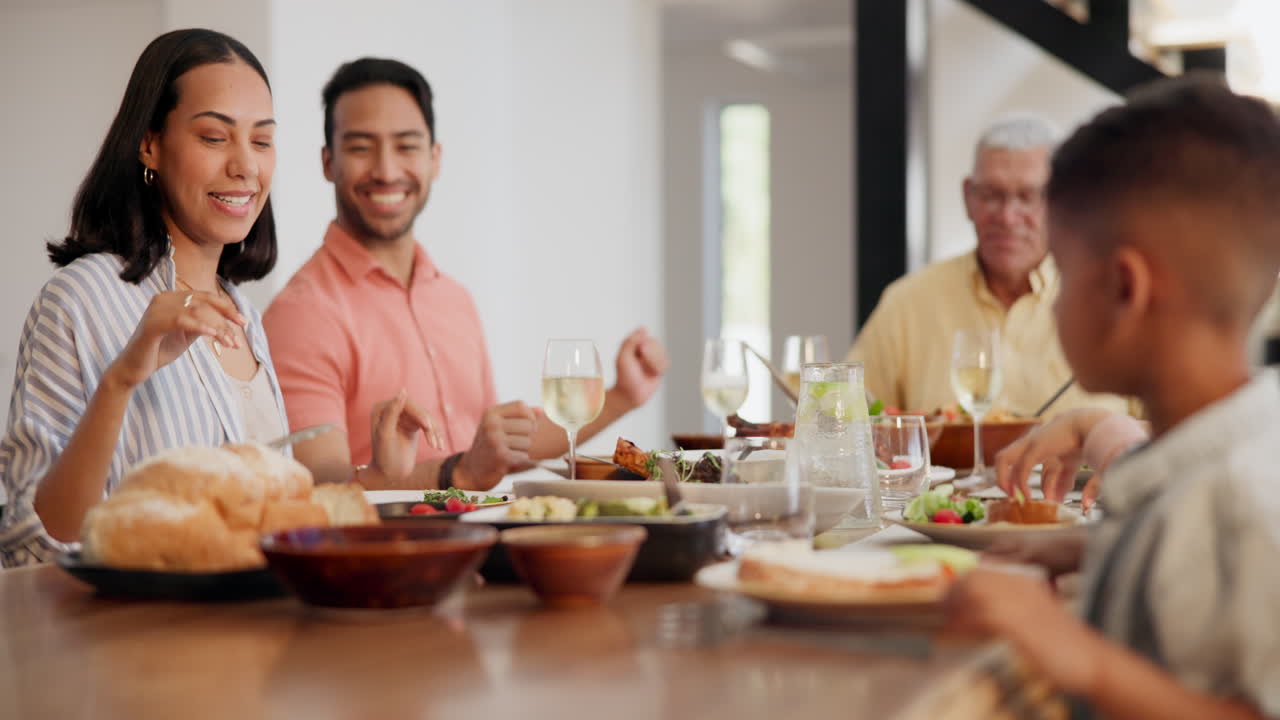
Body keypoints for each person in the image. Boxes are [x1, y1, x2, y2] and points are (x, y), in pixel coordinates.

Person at [0, 30, 430, 568]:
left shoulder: (243, 316)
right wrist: (122, 380)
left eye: (262, 140)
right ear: (149, 142)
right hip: (129, 643)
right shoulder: (80, 299)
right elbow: (29, 541)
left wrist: (378, 478)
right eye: (213, 137)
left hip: (252, 635)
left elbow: (265, 519)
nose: (245, 165)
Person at [946, 75, 1280, 719]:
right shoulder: (1205, 462)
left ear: (1125, 290)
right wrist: (1093, 547)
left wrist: (1075, 652)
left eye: (1066, 276)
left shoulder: (1247, 500)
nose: (1057, 303)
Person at [263, 58, 667, 491]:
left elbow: (497, 450)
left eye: (407, 145)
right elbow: (321, 489)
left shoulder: (453, 299)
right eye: (361, 147)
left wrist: (622, 394)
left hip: (479, 544)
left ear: (435, 159)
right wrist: (458, 473)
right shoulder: (301, 313)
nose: (386, 170)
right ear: (328, 162)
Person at [846, 115, 1132, 419]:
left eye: (1028, 196)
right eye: (991, 196)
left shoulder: (1113, 299)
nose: (1008, 217)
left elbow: (1171, 436)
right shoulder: (907, 302)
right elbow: (852, 417)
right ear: (968, 197)